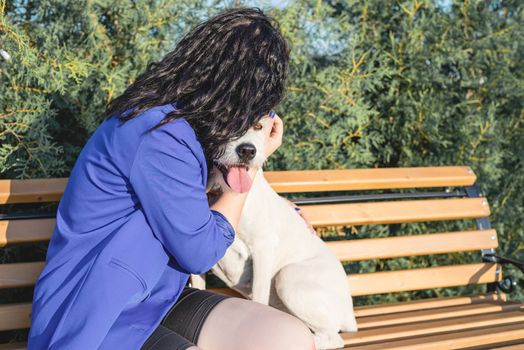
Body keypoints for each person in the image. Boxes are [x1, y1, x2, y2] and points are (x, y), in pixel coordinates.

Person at [27, 6, 316, 350]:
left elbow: (200, 193)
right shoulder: (159, 132)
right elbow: (200, 251)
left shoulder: (192, 124)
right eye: (252, 102)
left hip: (158, 297)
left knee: (290, 338)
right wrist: (252, 168)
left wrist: (287, 212)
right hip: (97, 311)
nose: (253, 116)